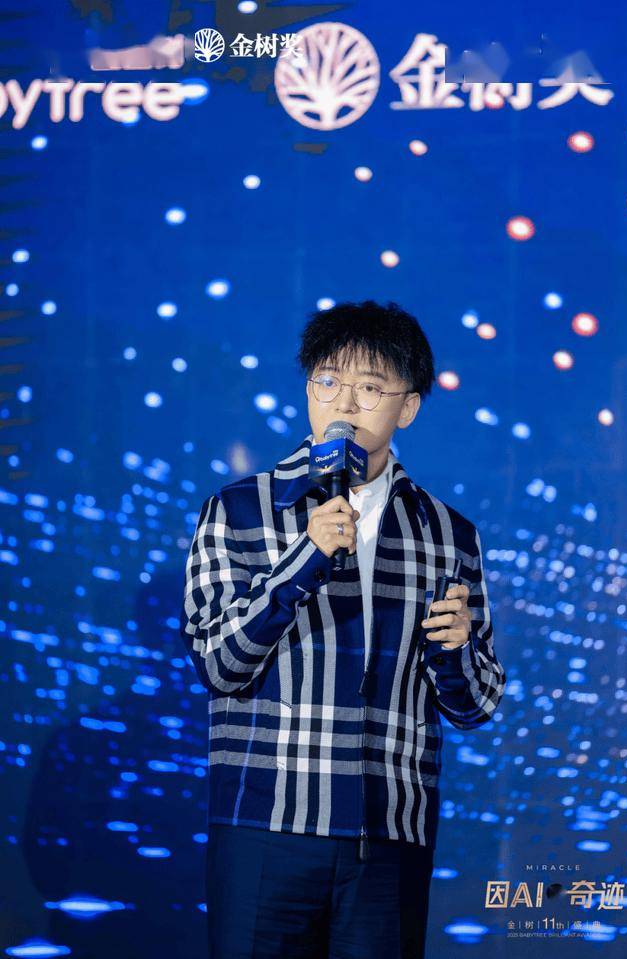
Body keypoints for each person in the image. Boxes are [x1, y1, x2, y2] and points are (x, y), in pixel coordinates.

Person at [180, 299, 507, 959]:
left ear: (407, 407)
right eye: (328, 381)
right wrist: (304, 558)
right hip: (265, 826)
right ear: (308, 390)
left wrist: (456, 649)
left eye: (370, 388)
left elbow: (476, 705)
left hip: (388, 837)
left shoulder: (448, 533)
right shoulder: (239, 510)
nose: (345, 404)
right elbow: (219, 662)